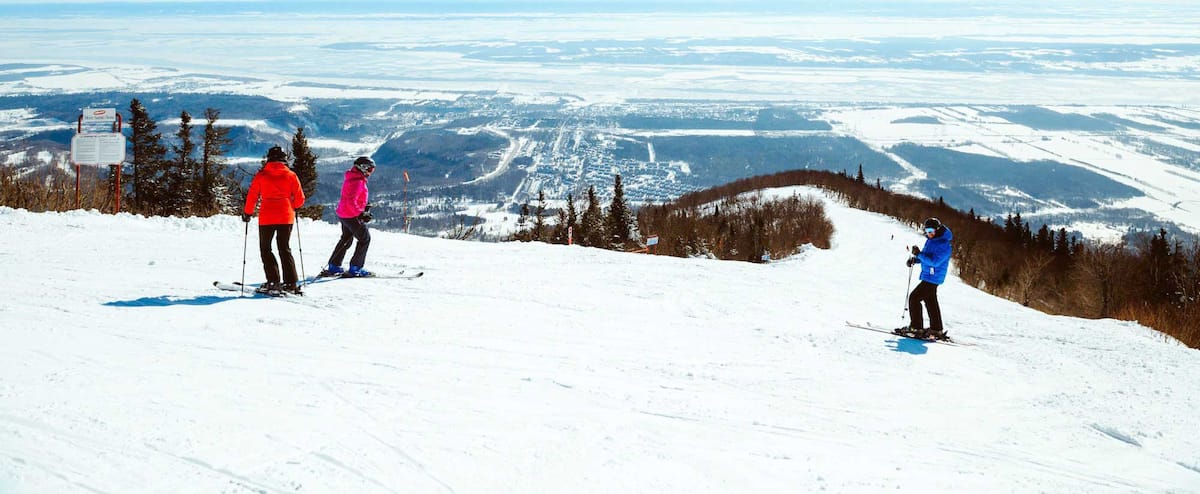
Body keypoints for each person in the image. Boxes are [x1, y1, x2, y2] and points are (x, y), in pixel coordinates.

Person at [243, 145, 306, 295]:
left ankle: (273, 281)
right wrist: (293, 206)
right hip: (286, 215)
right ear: (284, 159)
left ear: (269, 159)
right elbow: (300, 199)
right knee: (284, 248)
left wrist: (247, 212)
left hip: (267, 216)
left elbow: (253, 195)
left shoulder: (262, 175)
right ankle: (291, 283)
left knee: (266, 248)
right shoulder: (291, 175)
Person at [898, 217, 953, 340]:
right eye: (927, 230)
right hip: (930, 275)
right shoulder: (931, 240)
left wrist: (919, 254)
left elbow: (934, 261)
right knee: (930, 301)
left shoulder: (944, 244)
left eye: (932, 230)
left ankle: (916, 327)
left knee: (914, 298)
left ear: (938, 230)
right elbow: (926, 257)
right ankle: (936, 328)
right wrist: (915, 259)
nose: (929, 233)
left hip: (933, 277)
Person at [321, 156, 376, 278]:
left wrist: (363, 206)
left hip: (344, 214)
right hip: (352, 215)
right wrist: (361, 213)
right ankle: (356, 268)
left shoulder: (352, 178)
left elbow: (349, 198)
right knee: (364, 239)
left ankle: (334, 265)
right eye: (370, 170)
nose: (370, 173)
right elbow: (351, 201)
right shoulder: (358, 181)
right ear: (363, 168)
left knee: (346, 239)